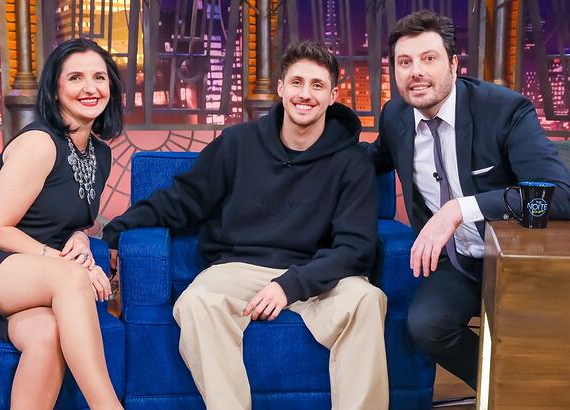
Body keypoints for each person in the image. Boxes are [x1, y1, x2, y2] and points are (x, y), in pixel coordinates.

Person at [104, 41, 389, 409]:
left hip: (317, 274)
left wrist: (290, 286)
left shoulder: (352, 162)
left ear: (333, 95)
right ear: (281, 88)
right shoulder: (239, 143)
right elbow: (183, 200)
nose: (306, 94)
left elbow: (356, 248)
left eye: (317, 85)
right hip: (239, 268)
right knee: (196, 302)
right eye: (297, 82)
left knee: (367, 299)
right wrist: (115, 231)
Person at [365, 10, 570, 390]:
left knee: (544, 337)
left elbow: (558, 195)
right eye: (404, 62)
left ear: (454, 64)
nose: (416, 72)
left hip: (516, 257)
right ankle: (511, 391)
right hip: (457, 264)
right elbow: (369, 161)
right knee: (426, 326)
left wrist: (461, 209)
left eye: (429, 58)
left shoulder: (505, 110)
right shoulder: (395, 117)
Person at [0, 38, 124, 409]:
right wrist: (61, 261)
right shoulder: (40, 144)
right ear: (55, 88)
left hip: (24, 277)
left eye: (99, 77)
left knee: (47, 333)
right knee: (71, 276)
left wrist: (80, 236)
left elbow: (63, 216)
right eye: (75, 77)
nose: (90, 87)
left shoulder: (101, 153)